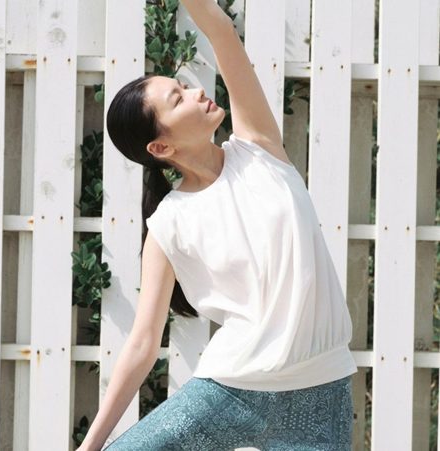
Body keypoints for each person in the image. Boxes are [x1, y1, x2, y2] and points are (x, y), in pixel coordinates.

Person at [77, 1, 358, 450]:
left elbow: (221, 31)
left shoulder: (259, 148)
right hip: (229, 391)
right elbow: (143, 343)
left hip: (322, 395)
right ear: (160, 147)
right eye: (177, 99)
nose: (195, 92)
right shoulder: (168, 224)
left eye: (183, 86)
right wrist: (89, 446)